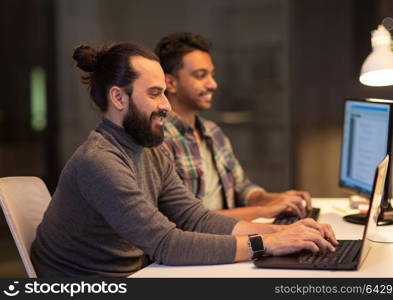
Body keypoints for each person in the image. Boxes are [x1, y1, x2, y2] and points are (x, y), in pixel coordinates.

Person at [30, 43, 337, 277]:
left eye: (164, 93)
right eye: (154, 94)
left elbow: (196, 218)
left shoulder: (148, 150)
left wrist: (281, 232)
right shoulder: (99, 162)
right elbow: (168, 244)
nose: (165, 105)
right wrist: (267, 244)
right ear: (118, 98)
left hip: (138, 271)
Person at [155, 33, 312, 221]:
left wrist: (278, 199)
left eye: (212, 75)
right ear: (170, 83)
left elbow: (243, 190)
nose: (213, 84)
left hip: (231, 234)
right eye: (200, 75)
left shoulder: (212, 132)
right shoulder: (159, 140)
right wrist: (266, 211)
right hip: (203, 245)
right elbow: (185, 221)